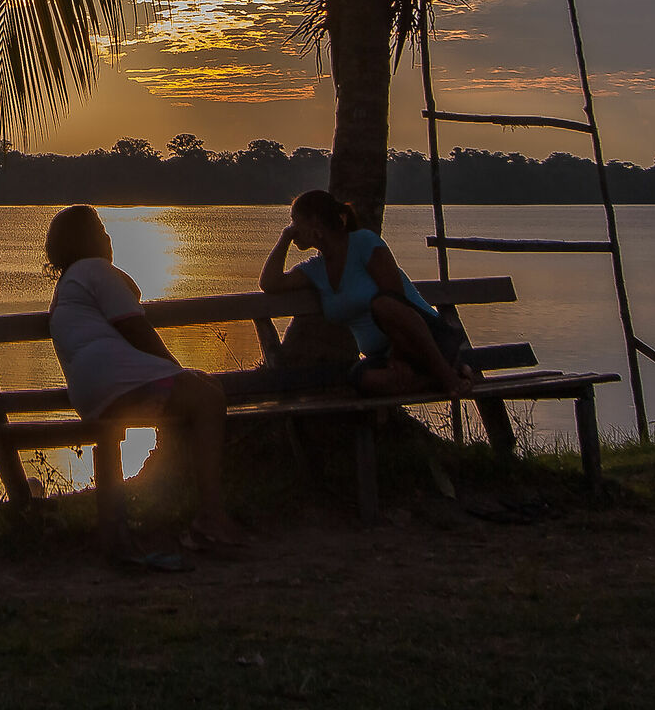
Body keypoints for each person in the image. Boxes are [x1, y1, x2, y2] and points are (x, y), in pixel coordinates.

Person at [44, 204, 249, 554]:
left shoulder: (70, 282)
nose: (107, 236)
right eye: (100, 228)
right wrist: (178, 371)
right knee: (208, 398)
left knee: (206, 389)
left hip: (92, 388)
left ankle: (179, 498)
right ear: (86, 239)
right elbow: (135, 327)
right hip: (114, 376)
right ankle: (210, 515)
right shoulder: (95, 269)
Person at [259, 189, 477, 397]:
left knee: (382, 304)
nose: (292, 228)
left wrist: (398, 356)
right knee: (362, 379)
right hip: (384, 357)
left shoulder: (363, 242)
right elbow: (270, 283)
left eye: (295, 221)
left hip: (425, 343)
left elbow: (397, 302)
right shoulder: (315, 269)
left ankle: (448, 377)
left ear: (315, 222)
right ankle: (443, 379)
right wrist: (285, 238)